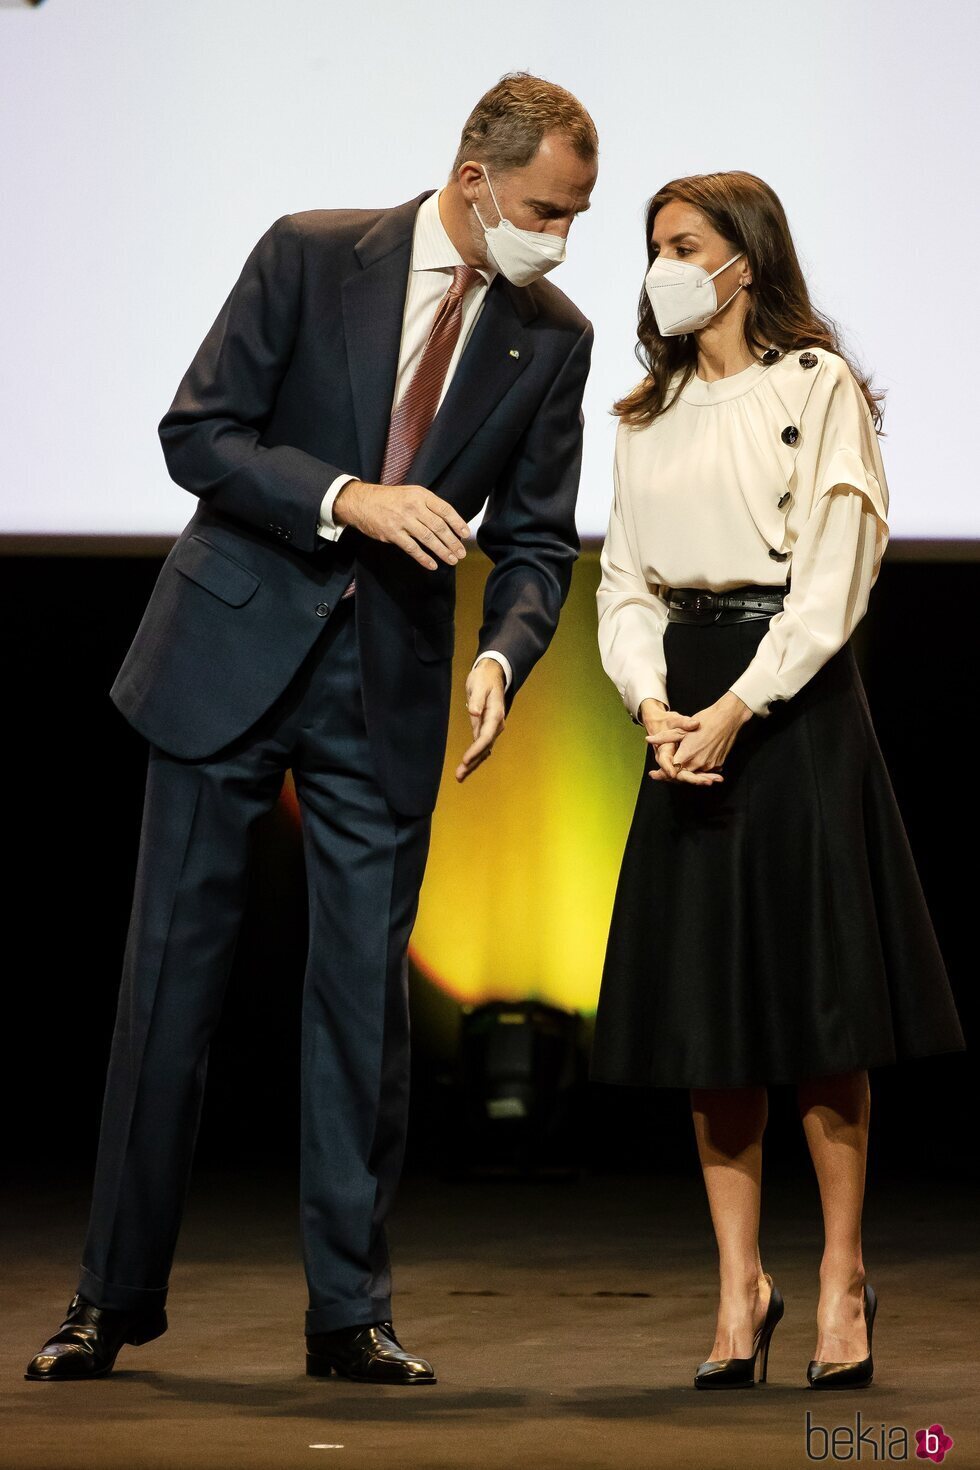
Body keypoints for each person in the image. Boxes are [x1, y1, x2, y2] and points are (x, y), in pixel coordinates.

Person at [26, 72, 597, 1386]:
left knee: (361, 1012)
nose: (558, 238)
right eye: (544, 210)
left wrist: (507, 654)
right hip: (228, 651)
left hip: (384, 690)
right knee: (167, 987)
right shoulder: (306, 252)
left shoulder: (549, 336)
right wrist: (350, 496)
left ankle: (350, 1312)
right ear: (473, 182)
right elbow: (199, 434)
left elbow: (538, 539)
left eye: (577, 216)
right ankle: (109, 1298)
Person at [591, 171, 966, 1391]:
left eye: (682, 243)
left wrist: (740, 706)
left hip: (788, 707)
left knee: (817, 1015)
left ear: (741, 261)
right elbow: (625, 586)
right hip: (682, 702)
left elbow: (835, 571)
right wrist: (653, 704)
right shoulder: (641, 415)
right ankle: (737, 1287)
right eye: (654, 245)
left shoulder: (815, 388)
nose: (663, 264)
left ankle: (842, 1276)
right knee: (711, 1019)